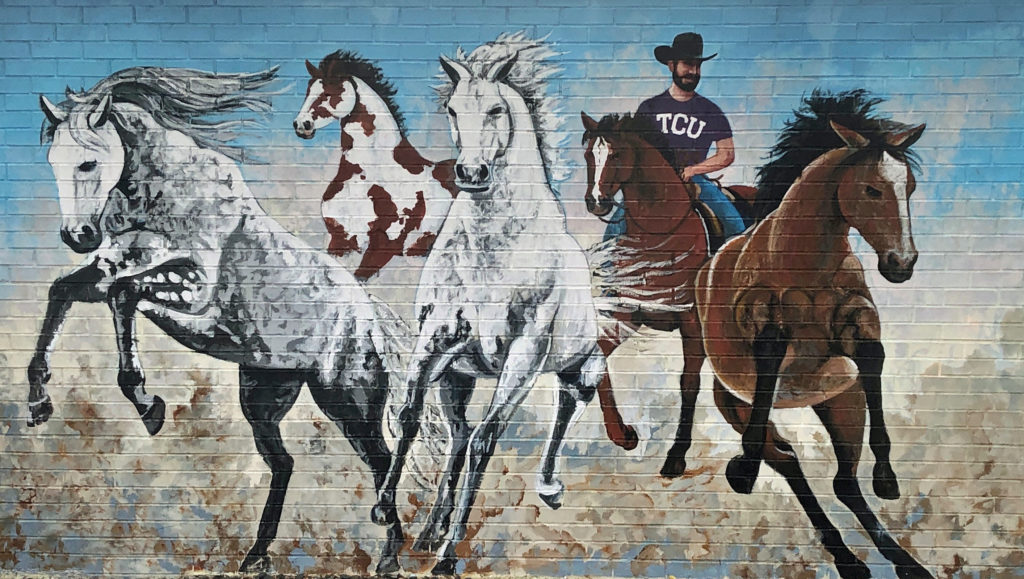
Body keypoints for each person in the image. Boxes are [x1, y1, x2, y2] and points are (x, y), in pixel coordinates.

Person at [604, 32, 745, 241]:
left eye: (697, 65)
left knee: (735, 224)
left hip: (693, 179)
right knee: (612, 234)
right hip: (651, 184)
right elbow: (632, 150)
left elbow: (727, 154)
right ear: (671, 65)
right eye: (687, 64)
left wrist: (693, 170)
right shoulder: (649, 108)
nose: (693, 71)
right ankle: (603, 273)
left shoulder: (710, 110)